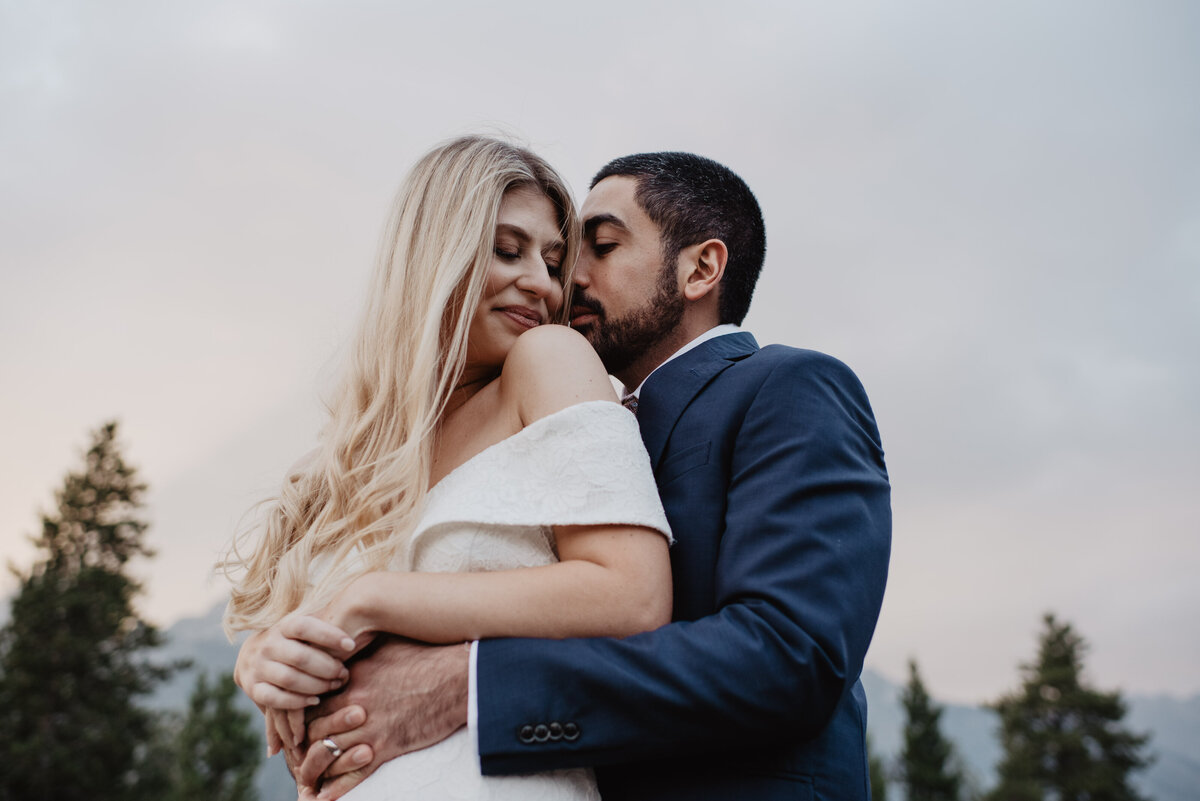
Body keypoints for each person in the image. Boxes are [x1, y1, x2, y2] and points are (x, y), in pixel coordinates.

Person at [297, 152, 893, 800]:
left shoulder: (789, 388)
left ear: (701, 268)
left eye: (599, 247)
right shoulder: (557, 416)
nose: (567, 281)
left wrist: (473, 683)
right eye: (565, 257)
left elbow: (789, 657)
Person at [221, 136, 675, 801]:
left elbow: (632, 596)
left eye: (553, 262)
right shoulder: (347, 459)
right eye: (507, 249)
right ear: (432, 253)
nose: (543, 285)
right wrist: (264, 660)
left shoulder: (547, 362)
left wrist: (371, 598)